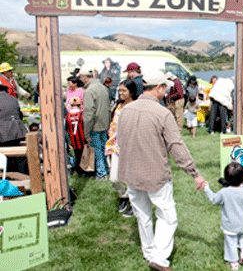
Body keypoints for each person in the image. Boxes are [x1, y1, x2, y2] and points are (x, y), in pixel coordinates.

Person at [117, 70, 206, 271]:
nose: (166, 91)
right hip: (155, 173)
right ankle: (159, 259)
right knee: (167, 216)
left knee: (143, 215)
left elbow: (120, 142)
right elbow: (176, 146)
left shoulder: (126, 111)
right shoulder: (162, 113)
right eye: (165, 88)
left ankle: (149, 252)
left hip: (131, 172)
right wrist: (195, 174)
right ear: (158, 88)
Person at [203, 162, 243, 270]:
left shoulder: (224, 192)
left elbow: (214, 200)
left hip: (230, 225)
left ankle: (233, 262)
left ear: (226, 179)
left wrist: (206, 189)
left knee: (231, 243)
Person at [105, 79, 138, 216]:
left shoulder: (136, 107)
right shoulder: (118, 106)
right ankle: (124, 195)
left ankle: (134, 203)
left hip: (131, 147)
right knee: (114, 178)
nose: (120, 93)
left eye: (124, 91)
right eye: (119, 90)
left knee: (131, 178)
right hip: (116, 146)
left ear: (131, 92)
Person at [79, 70, 111, 180]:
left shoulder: (89, 91)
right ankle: (106, 169)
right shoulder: (103, 88)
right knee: (103, 149)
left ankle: (101, 174)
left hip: (94, 125)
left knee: (96, 150)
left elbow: (88, 113)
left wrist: (86, 132)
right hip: (104, 124)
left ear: (84, 77)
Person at [0, 84, 28, 173]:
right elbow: (20, 115)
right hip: (18, 130)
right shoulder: (12, 99)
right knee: (19, 157)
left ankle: (9, 179)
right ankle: (24, 177)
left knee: (6, 157)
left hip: (3, 132)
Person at [65, 97, 86, 177]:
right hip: (82, 139)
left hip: (73, 139)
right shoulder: (81, 115)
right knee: (82, 155)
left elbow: (66, 129)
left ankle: (78, 171)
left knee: (76, 155)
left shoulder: (67, 117)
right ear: (80, 105)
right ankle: (83, 170)